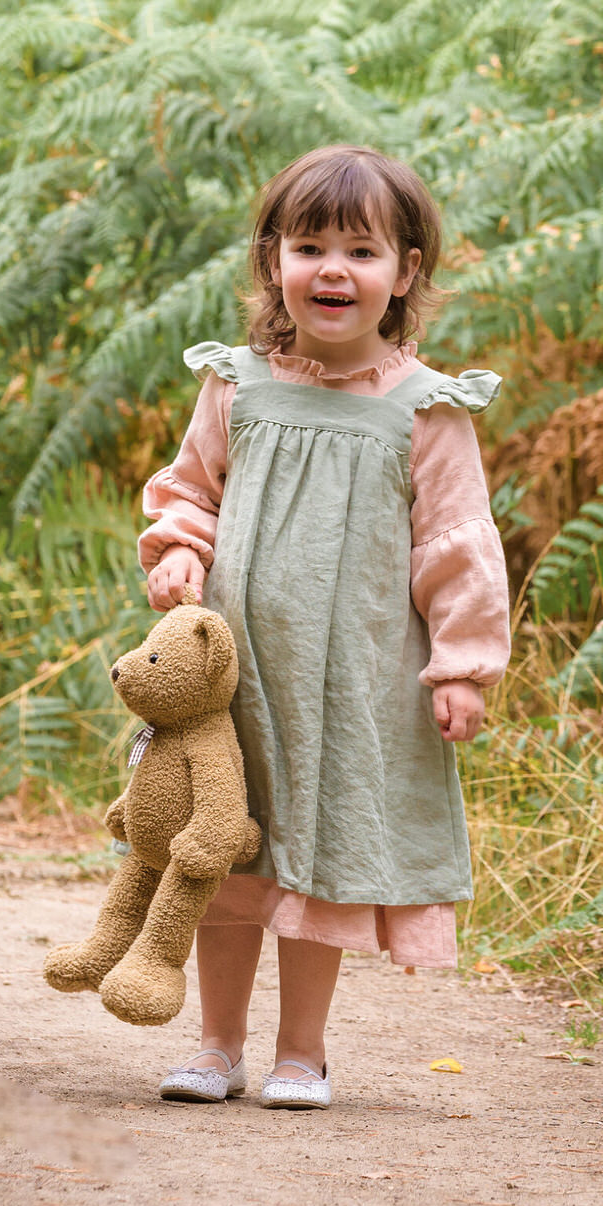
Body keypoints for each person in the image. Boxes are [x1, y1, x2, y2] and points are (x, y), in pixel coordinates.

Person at [138, 144, 511, 1109]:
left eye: (362, 251)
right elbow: (191, 491)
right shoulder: (238, 385)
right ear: (273, 263)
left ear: (405, 273)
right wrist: (179, 549)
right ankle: (216, 1046)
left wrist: (463, 666)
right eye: (309, 246)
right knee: (223, 848)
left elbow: (458, 544)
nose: (334, 269)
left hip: (356, 687)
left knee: (320, 857)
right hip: (238, 680)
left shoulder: (424, 409)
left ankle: (300, 1052)